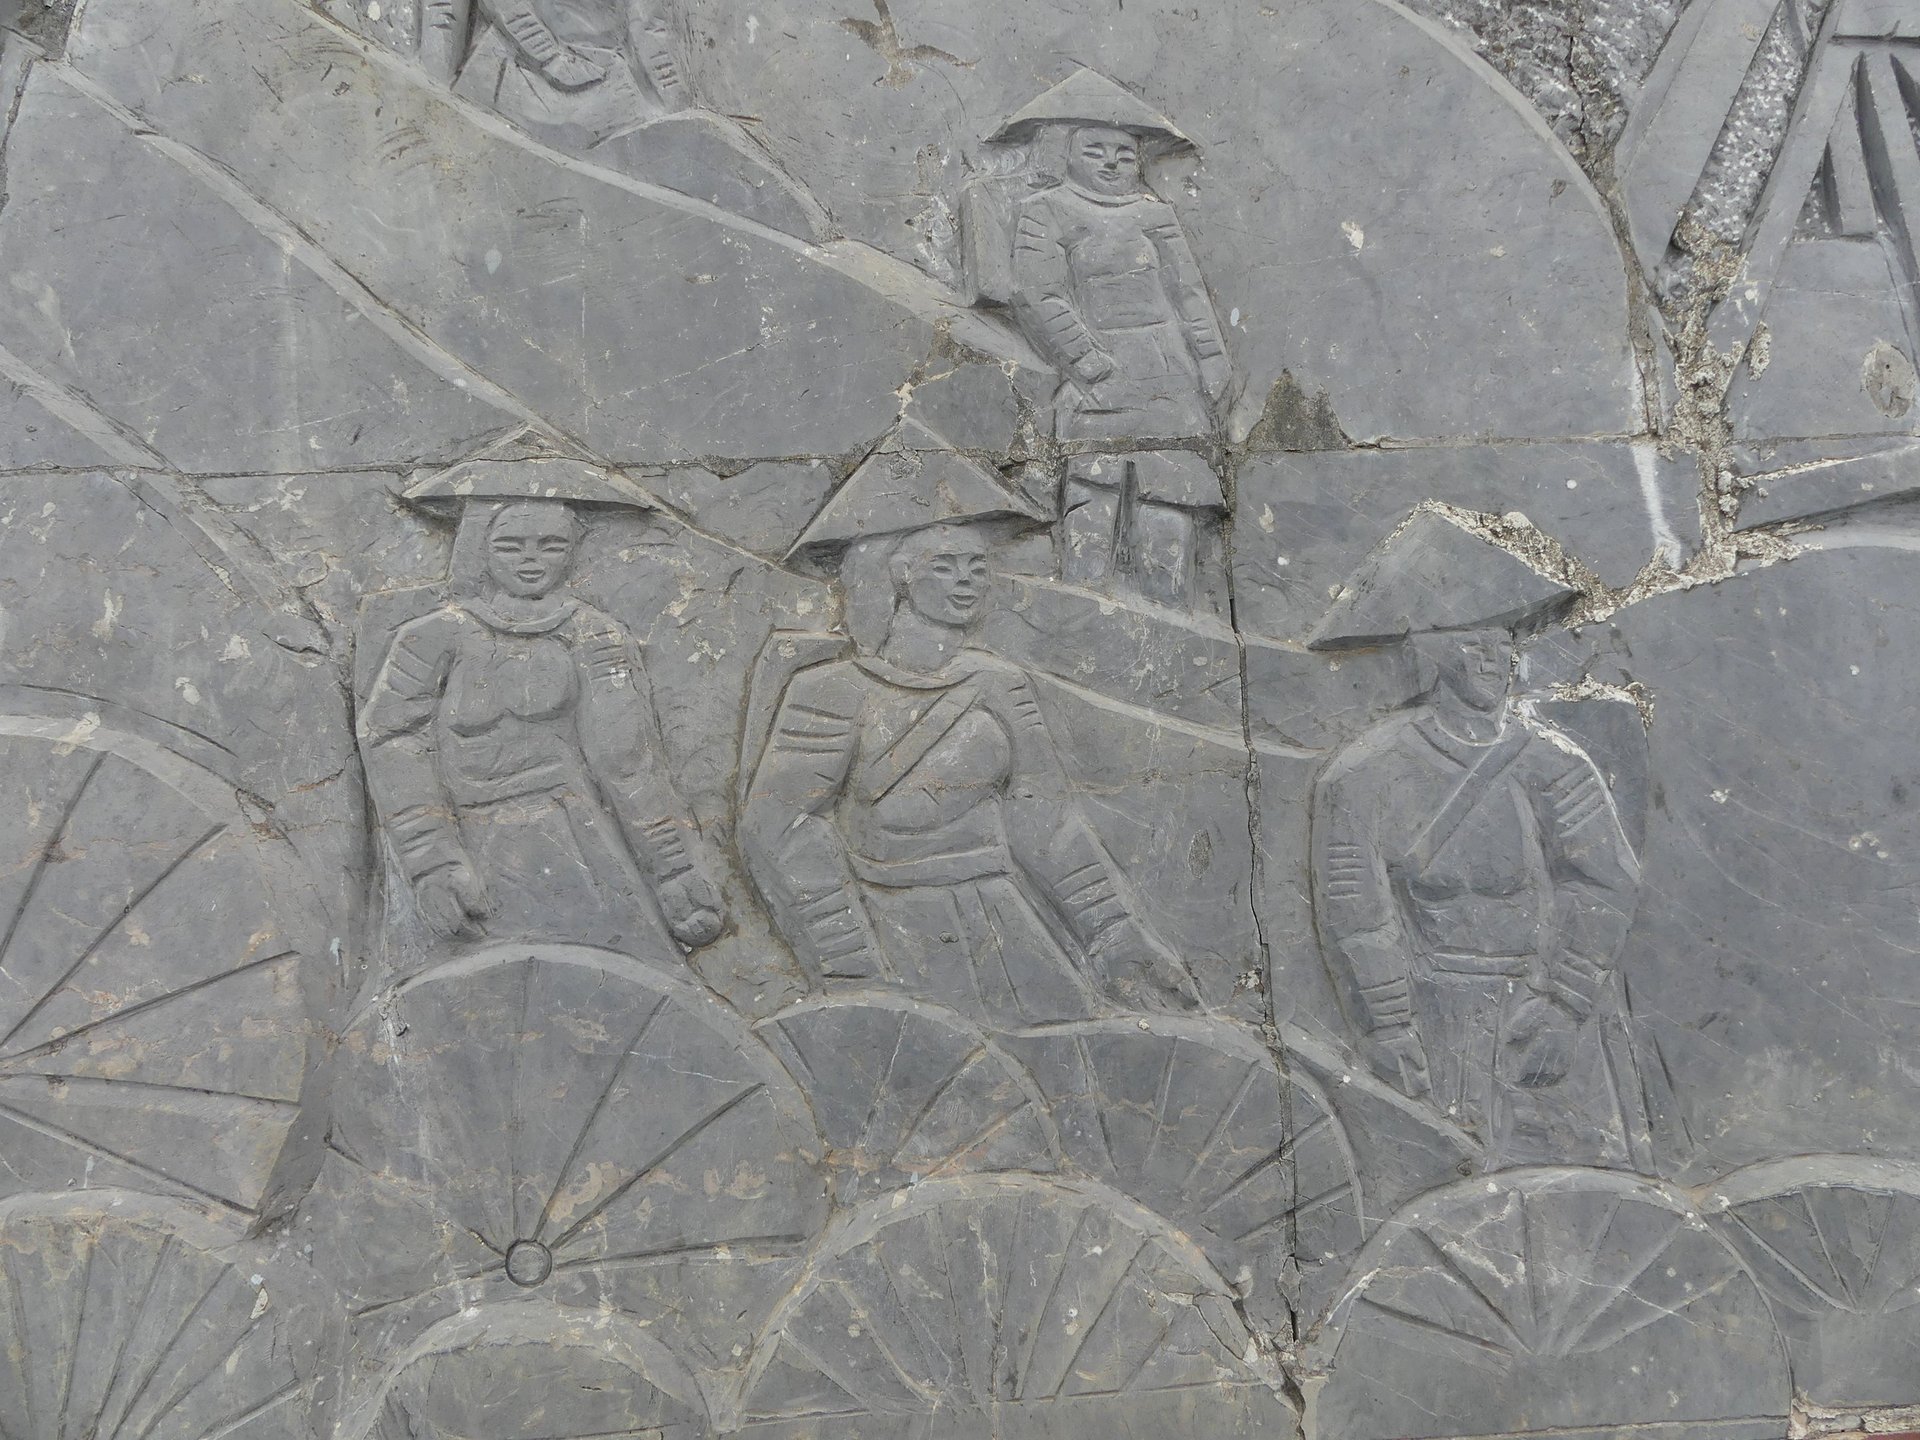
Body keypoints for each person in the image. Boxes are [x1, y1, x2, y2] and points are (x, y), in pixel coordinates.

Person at [740, 432, 1198, 1027]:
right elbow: (778, 824)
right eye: (945, 567)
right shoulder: (832, 690)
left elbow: (1045, 818)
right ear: (901, 576)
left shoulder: (1000, 684)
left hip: (1006, 918)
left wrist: (1113, 934)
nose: (967, 581)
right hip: (896, 921)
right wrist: (849, 963)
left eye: (977, 567)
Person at [1307, 512, 1656, 1170]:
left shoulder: (1553, 764)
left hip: (1543, 1018)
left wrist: (1564, 1002)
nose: (1495, 659)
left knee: (1582, 1201)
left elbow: (1603, 882)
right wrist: (1386, 1027)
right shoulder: (1363, 776)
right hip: (1435, 1017)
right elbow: (1355, 912)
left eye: (1504, 643)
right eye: (1473, 644)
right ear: (1432, 654)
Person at [357, 458, 724, 964]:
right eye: (511, 545)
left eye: (551, 545)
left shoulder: (595, 635)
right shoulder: (431, 637)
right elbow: (392, 741)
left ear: (573, 551)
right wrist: (429, 862)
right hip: (466, 851)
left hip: (575, 843)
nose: (531, 560)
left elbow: (628, 764)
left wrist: (674, 870)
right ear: (481, 548)